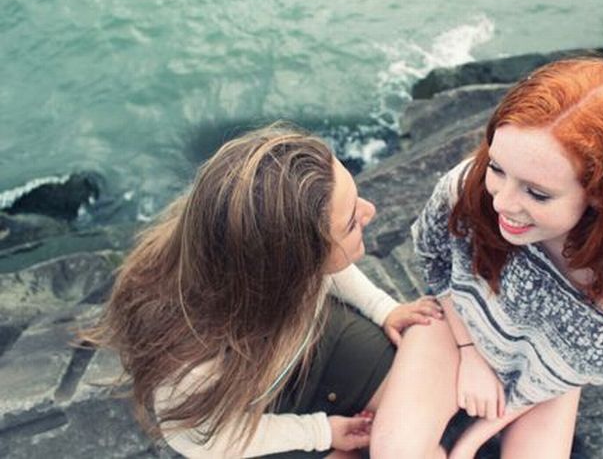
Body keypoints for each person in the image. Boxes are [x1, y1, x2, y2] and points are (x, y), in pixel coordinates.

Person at [370, 57, 603, 459]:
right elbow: (435, 261)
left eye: (537, 193)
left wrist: (471, 441)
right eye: (498, 168)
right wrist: (468, 352)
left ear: (602, 192)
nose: (502, 202)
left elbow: (576, 367)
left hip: (547, 376)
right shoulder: (470, 187)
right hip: (455, 326)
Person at [80, 123, 443, 458]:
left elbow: (329, 266)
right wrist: (321, 432)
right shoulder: (192, 368)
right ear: (291, 267)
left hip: (306, 342)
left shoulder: (270, 268)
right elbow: (206, 441)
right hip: (245, 412)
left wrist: (382, 308)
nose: (370, 210)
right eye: (351, 222)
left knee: (426, 409)